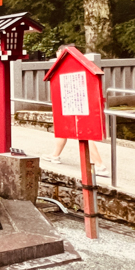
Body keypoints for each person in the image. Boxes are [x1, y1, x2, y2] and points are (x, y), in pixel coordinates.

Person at [41, 44, 108, 176]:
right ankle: (55, 155)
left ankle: (100, 165)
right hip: (70, 101)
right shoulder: (72, 63)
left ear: (61, 52)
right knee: (62, 130)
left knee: (85, 135)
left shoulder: (69, 63)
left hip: (77, 102)